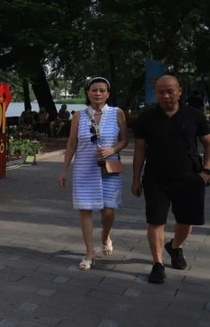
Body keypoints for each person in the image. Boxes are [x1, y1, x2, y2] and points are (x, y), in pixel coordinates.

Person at [131, 75, 210, 284]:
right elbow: (139, 149)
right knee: (156, 220)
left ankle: (174, 247)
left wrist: (206, 172)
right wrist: (136, 178)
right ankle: (157, 264)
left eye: (170, 91)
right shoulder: (146, 118)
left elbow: (208, 143)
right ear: (155, 93)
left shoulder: (194, 115)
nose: (165, 96)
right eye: (161, 92)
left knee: (186, 221)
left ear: (180, 91)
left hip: (188, 176)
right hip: (155, 177)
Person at [58, 77, 128, 270]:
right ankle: (89, 252)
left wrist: (112, 150)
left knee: (108, 210)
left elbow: (124, 140)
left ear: (108, 94)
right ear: (88, 93)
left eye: (102, 90)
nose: (98, 93)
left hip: (109, 168)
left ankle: (105, 236)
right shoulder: (79, 116)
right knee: (85, 209)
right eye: (94, 90)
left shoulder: (117, 113)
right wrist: (64, 170)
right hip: (84, 168)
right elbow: (71, 144)